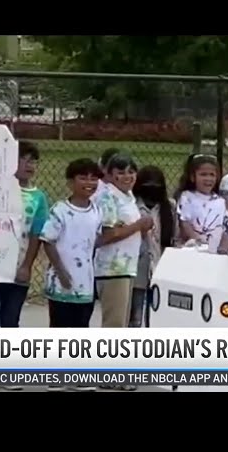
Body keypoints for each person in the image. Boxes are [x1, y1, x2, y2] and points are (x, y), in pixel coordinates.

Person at [0, 140, 49, 390]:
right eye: (22, 159)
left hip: (17, 268)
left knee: (10, 319)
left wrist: (27, 265)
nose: (29, 165)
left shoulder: (38, 198)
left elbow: (37, 234)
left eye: (33, 160)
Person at [40, 158, 103, 392]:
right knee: (60, 327)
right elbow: (48, 241)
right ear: (70, 182)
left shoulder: (96, 210)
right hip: (62, 282)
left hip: (85, 282)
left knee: (80, 327)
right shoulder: (61, 210)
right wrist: (61, 271)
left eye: (93, 178)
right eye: (83, 177)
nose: (89, 182)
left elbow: (95, 240)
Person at [94, 153, 153, 329]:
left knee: (123, 323)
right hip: (112, 268)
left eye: (131, 172)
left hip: (128, 266)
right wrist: (138, 225)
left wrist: (142, 229)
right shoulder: (108, 197)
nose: (127, 177)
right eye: (121, 172)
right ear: (110, 175)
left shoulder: (127, 197)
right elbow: (107, 235)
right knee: (114, 323)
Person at [130, 165, 177, 328]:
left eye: (156, 187)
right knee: (134, 317)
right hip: (137, 268)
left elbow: (173, 237)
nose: (152, 191)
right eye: (148, 187)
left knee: (157, 317)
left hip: (160, 267)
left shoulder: (169, 207)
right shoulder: (132, 205)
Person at [175, 154, 228, 254]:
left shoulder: (220, 202)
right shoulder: (187, 197)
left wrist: (223, 249)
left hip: (215, 253)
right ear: (193, 177)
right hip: (193, 251)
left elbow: (226, 228)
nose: (208, 179)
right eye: (203, 174)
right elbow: (184, 224)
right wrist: (199, 243)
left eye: (212, 175)